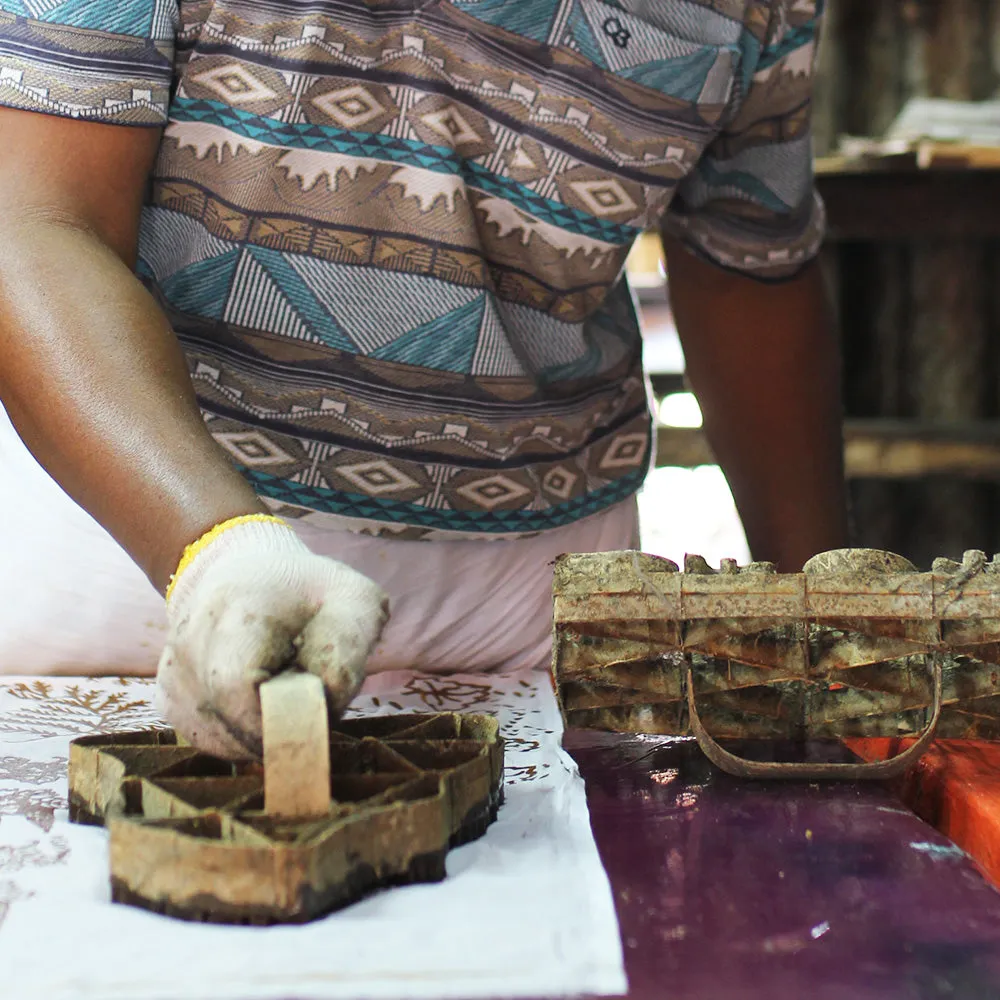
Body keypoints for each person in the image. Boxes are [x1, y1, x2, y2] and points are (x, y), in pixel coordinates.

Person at [0, 0, 846, 757]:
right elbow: (37, 222)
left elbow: (747, 265)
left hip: (531, 617)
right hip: (136, 573)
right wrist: (216, 549)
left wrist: (829, 629)